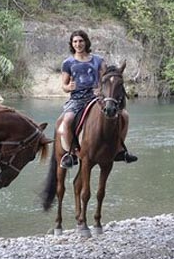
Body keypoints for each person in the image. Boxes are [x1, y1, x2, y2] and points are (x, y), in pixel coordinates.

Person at [58, 30, 137, 169]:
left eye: (81, 41)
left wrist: (100, 89)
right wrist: (68, 87)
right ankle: (72, 154)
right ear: (71, 44)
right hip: (77, 99)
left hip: (96, 98)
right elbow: (63, 86)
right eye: (75, 41)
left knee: (125, 115)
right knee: (66, 122)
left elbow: (105, 79)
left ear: (86, 42)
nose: (78, 44)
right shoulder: (67, 63)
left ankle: (119, 149)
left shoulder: (98, 60)